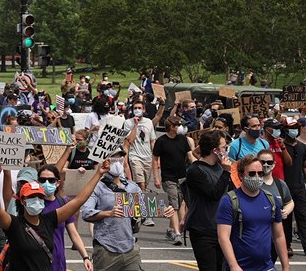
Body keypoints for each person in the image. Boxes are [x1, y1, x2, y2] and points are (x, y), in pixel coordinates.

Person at [0, 159, 106, 271]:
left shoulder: (49, 220)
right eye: (31, 197)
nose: (36, 200)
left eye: (40, 197)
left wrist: (98, 174)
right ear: (22, 200)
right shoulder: (14, 224)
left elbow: (79, 200)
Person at [81, 150, 169, 271]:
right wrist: (108, 213)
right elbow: (86, 213)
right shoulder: (97, 187)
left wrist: (164, 210)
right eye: (113, 159)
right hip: (106, 249)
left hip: (129, 248)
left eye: (120, 159)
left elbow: (146, 209)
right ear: (104, 161)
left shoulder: (132, 187)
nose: (117, 163)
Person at [216, 155, 289, 271]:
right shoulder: (229, 201)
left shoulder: (271, 199)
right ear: (240, 176)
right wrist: (234, 266)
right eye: (252, 174)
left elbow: (279, 236)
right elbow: (223, 237)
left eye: (260, 173)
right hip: (241, 268)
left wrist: (286, 267)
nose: (257, 177)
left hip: (267, 267)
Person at [182, 129, 233, 271]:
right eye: (224, 147)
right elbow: (214, 194)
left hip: (223, 228)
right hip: (203, 229)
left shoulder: (219, 167)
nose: (226, 150)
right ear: (215, 150)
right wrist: (226, 173)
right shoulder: (196, 170)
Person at [38, 165, 90, 271]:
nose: (46, 183)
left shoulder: (62, 203)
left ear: (58, 183)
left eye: (51, 180)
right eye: (42, 180)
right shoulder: (33, 205)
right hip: (37, 263)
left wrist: (85, 257)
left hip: (58, 263)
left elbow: (73, 233)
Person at [153, 116, 191, 245]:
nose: (180, 127)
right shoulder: (161, 141)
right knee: (173, 203)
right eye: (178, 125)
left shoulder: (183, 139)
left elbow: (190, 155)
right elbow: (155, 159)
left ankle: (170, 229)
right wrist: (156, 177)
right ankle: (177, 234)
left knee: (180, 204)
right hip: (168, 178)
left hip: (182, 177)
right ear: (171, 127)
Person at [279, 118, 306, 256]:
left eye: (297, 127)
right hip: (284, 187)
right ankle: (286, 245)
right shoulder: (280, 146)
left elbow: (305, 166)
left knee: (302, 215)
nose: (294, 130)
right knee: (286, 218)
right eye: (291, 127)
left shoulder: (302, 147)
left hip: (299, 186)